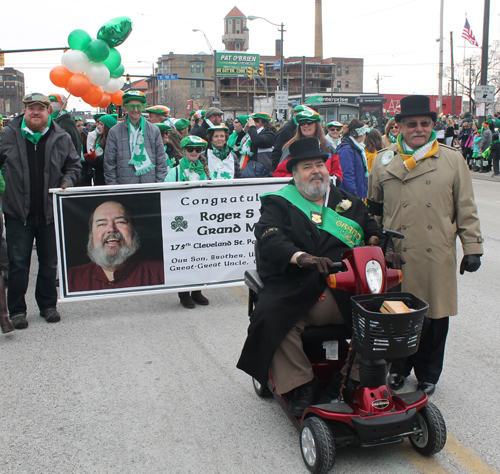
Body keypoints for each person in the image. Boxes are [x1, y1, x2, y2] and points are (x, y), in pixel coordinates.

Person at [237, 137, 387, 416]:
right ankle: (301, 385)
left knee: (387, 315)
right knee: (271, 318)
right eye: (307, 166)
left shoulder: (349, 202)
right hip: (298, 285)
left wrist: (380, 248)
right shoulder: (279, 203)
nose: (316, 171)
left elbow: (370, 229)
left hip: (347, 288)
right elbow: (268, 237)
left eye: (320, 164)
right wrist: (300, 257)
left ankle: (351, 379)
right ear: (294, 174)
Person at [368, 95, 483, 396]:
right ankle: (399, 369)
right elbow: (373, 211)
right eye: (411, 124)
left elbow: (466, 208)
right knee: (397, 315)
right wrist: (371, 246)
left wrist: (472, 248)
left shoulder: (452, 159)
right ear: (399, 126)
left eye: (424, 123)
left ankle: (429, 373)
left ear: (432, 125)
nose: (418, 129)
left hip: (437, 250)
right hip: (397, 254)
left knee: (435, 317)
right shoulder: (383, 161)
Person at [0, 93, 81, 329]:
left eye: (41, 108)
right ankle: (17, 310)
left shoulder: (61, 136)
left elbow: (74, 165)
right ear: (24, 111)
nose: (36, 112)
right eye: (31, 108)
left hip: (49, 212)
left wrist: (67, 181)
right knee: (18, 264)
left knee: (48, 262)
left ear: (48, 111)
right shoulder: (8, 134)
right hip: (18, 214)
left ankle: (47, 305)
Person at [67, 201, 164, 292]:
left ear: (134, 229)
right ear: (91, 234)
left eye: (120, 222)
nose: (111, 229)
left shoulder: (161, 273)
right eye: (101, 224)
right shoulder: (70, 279)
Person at [164, 136, 211, 308]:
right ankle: (184, 294)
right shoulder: (174, 172)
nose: (194, 152)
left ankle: (197, 291)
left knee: (200, 255)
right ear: (183, 150)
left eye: (198, 149)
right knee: (184, 256)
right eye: (190, 148)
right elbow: (166, 195)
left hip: (200, 220)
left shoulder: (205, 171)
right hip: (182, 221)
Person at [104, 91, 167, 184]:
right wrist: (115, 188)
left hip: (150, 187)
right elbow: (109, 164)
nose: (136, 110)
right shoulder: (114, 132)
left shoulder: (154, 130)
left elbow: (161, 161)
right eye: (131, 106)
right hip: (124, 188)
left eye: (140, 106)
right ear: (125, 107)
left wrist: (158, 185)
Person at [274, 110, 342, 185]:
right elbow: (279, 173)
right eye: (302, 123)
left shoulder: (327, 147)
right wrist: (298, 180)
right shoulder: (292, 146)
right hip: (299, 192)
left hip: (324, 191)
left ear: (317, 125)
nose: (306, 125)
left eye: (309, 123)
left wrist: (335, 179)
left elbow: (337, 172)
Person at [337, 119, 369, 198]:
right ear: (362, 134)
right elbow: (347, 173)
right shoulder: (347, 149)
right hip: (349, 195)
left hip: (356, 192)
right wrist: (353, 194)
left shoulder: (355, 148)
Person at [84, 114, 117, 185]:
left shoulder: (112, 141)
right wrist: (91, 159)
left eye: (101, 124)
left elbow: (110, 163)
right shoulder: (99, 138)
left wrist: (96, 159)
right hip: (99, 177)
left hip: (108, 180)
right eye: (98, 124)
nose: (98, 126)